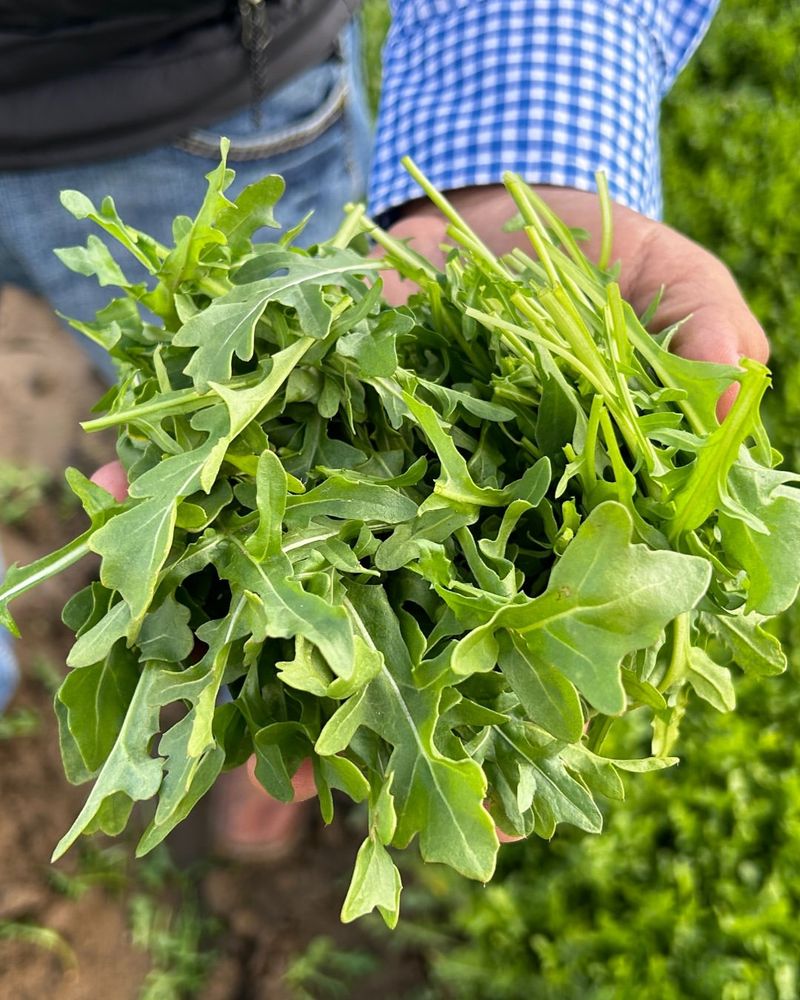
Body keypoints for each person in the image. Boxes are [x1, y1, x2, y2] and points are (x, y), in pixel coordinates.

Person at [0, 0, 768, 851]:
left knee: (246, 390)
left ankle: (273, 715)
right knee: (201, 413)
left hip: (182, 87)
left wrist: (522, 158)